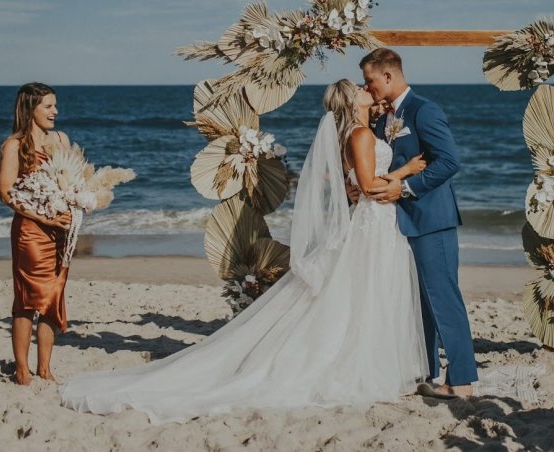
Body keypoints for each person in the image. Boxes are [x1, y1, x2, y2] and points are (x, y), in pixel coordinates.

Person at [61, 80, 429, 422]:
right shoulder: (362, 134)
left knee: (359, 295)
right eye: (362, 89)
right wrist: (407, 171)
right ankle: (362, 366)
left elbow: (351, 184)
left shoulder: (352, 133)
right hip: (373, 219)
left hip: (369, 221)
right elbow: (367, 186)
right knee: (365, 294)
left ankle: (363, 362)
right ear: (352, 102)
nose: (368, 90)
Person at [360, 48, 478, 397]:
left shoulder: (424, 110)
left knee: (443, 298)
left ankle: (461, 381)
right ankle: (425, 371)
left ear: (388, 75)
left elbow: (448, 162)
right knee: (418, 301)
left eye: (370, 80)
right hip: (399, 223)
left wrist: (406, 187)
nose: (368, 88)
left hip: (432, 220)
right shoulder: (384, 118)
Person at [0, 83, 72, 385]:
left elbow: (71, 180)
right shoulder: (14, 145)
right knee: (28, 299)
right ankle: (22, 369)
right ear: (31, 109)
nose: (56, 111)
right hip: (30, 232)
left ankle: (44, 368)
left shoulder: (62, 139)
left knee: (54, 297)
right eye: (49, 106)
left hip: (61, 233)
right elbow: (6, 193)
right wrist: (45, 217)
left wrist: (75, 206)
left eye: (55, 106)